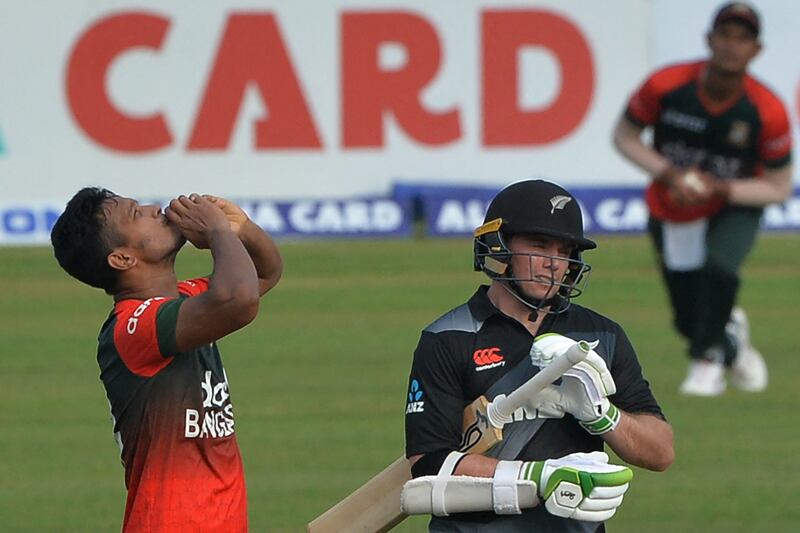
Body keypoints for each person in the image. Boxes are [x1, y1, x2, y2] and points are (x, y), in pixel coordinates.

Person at [404, 179, 674, 532]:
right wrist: (537, 478)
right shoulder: (448, 338)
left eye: (564, 251)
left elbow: (660, 453)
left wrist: (602, 416)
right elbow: (428, 463)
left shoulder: (601, 335)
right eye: (538, 245)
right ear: (499, 247)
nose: (553, 263)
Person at [50, 188, 282, 532]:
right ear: (123, 259)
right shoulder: (133, 327)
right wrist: (216, 232)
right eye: (134, 214)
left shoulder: (186, 303)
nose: (153, 209)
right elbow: (240, 299)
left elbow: (263, 274)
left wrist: (240, 229)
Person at [613, 2, 793, 396]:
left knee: (721, 270)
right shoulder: (667, 85)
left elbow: (779, 185)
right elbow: (624, 137)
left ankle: (706, 362)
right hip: (672, 201)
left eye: (742, 38)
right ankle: (731, 342)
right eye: (725, 35)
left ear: (756, 50)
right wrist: (668, 173)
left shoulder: (767, 110)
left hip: (735, 202)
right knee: (686, 314)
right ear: (709, 40)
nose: (732, 46)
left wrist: (723, 189)